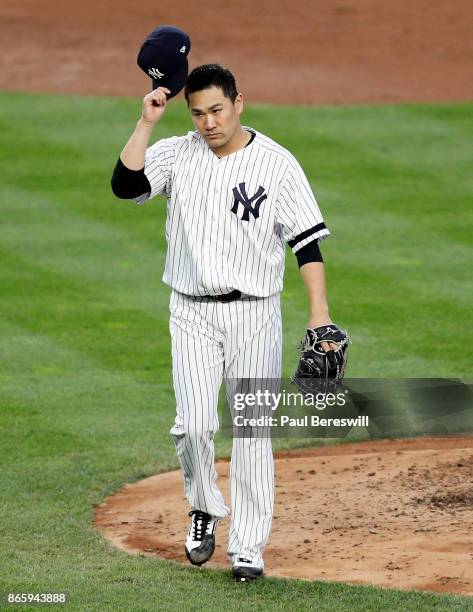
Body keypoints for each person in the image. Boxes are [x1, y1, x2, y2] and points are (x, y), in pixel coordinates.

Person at [111, 64, 338, 582]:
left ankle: (248, 549)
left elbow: (307, 242)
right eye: (197, 113)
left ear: (240, 103)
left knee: (252, 433)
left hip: (255, 315)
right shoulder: (175, 153)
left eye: (217, 110)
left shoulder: (277, 163)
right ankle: (203, 507)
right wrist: (146, 123)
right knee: (193, 426)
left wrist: (319, 314)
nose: (208, 123)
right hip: (190, 312)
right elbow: (125, 187)